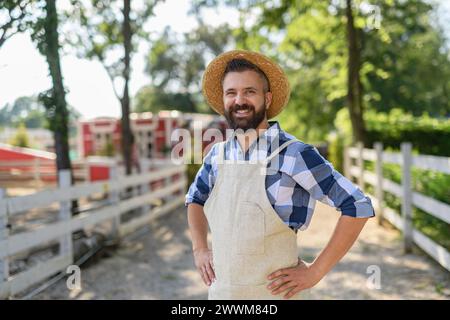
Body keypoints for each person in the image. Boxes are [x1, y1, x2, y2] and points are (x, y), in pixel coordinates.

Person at [185, 50, 375, 300]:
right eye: (231, 92)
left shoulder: (294, 154)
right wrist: (199, 248)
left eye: (249, 91)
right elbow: (194, 199)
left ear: (267, 97)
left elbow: (357, 205)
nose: (239, 100)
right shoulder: (216, 156)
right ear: (223, 100)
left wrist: (315, 272)